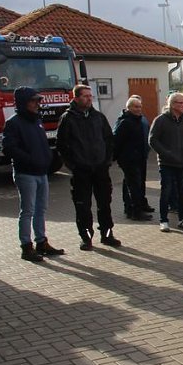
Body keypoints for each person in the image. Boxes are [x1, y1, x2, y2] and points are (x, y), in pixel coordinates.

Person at [2, 87, 65, 261]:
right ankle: (26, 247)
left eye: (38, 101)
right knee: (28, 210)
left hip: (41, 172)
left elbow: (43, 145)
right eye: (34, 101)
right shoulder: (13, 123)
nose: (38, 104)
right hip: (26, 173)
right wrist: (30, 159)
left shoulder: (37, 120)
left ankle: (41, 242)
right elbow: (10, 148)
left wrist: (47, 159)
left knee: (41, 209)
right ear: (24, 102)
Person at [57, 84, 121, 250]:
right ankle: (86, 237)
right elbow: (62, 145)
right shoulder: (68, 118)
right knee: (83, 205)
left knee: (105, 203)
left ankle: (107, 234)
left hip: (100, 169)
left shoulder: (98, 117)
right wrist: (73, 166)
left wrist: (107, 161)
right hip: (81, 171)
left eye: (90, 96)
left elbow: (109, 139)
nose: (89, 99)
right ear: (76, 98)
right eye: (85, 96)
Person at [149, 92, 183, 232]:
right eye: (181, 103)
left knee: (182, 191)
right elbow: (153, 140)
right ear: (173, 104)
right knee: (166, 191)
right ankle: (163, 220)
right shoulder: (161, 120)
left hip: (182, 163)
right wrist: (166, 154)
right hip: (166, 163)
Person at [113, 96, 152, 221]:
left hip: (140, 157)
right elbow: (116, 141)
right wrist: (117, 158)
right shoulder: (124, 122)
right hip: (129, 159)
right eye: (135, 107)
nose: (138, 109)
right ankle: (135, 212)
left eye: (140, 106)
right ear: (128, 108)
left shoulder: (140, 120)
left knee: (138, 184)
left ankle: (135, 207)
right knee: (134, 186)